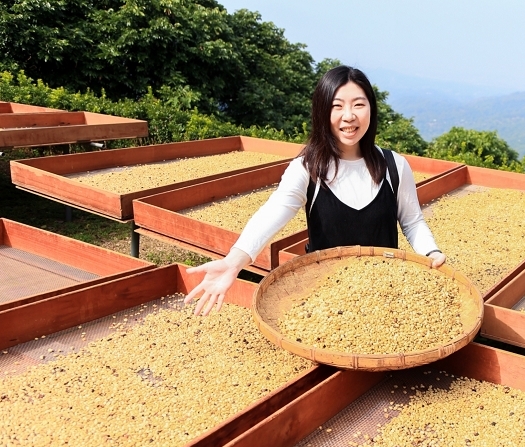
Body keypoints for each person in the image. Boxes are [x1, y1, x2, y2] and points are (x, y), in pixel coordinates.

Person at [184, 65, 446, 315]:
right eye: (337, 106)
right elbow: (274, 211)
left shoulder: (394, 166)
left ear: (371, 109)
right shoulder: (307, 168)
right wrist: (234, 261)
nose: (349, 116)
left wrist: (431, 252)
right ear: (323, 112)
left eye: (358, 104)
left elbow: (412, 221)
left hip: (383, 294)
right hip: (324, 297)